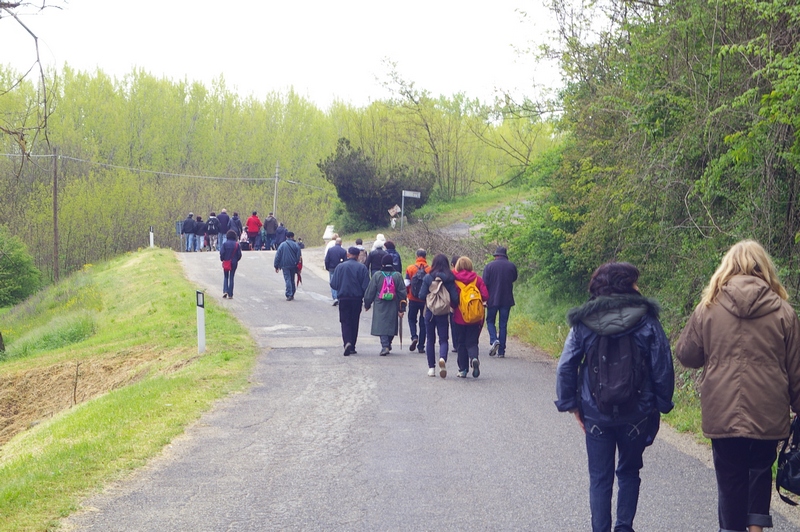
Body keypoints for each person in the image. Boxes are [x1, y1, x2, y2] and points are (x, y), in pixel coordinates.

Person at [675, 240, 800, 532]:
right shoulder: (784, 312)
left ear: (727, 268)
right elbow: (797, 369)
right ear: (765, 269)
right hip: (768, 412)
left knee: (730, 478)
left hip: (722, 410)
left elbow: (686, 354)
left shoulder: (708, 308)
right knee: (759, 472)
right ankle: (755, 527)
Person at [555, 261, 674, 532]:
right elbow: (662, 364)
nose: (638, 286)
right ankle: (624, 527)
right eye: (634, 281)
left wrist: (572, 405)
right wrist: (661, 404)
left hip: (595, 412)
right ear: (625, 284)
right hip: (636, 412)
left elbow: (566, 365)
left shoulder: (584, 320)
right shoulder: (646, 319)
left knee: (599, 478)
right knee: (630, 472)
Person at [418, 253, 458, 378]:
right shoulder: (450, 278)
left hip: (430, 312)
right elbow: (455, 298)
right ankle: (442, 359)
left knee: (430, 340)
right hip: (444, 312)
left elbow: (421, 295)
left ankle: (431, 368)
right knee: (443, 339)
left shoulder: (428, 277)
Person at [330, 246, 371, 356]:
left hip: (343, 298)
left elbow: (333, 284)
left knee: (345, 321)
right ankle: (352, 346)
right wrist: (367, 302)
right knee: (354, 321)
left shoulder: (340, 267)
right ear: (358, 256)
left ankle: (347, 342)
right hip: (356, 299)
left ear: (348, 255)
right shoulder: (362, 268)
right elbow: (366, 286)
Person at [452, 256, 489, 378]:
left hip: (459, 316)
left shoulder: (455, 280)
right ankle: (474, 358)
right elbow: (485, 295)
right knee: (472, 342)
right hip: (475, 317)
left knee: (461, 342)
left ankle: (463, 369)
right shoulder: (477, 279)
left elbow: (453, 298)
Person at [364, 254, 407, 356]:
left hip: (380, 303)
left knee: (381, 324)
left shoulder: (377, 275)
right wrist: (402, 308)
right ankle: (388, 343)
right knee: (391, 324)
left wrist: (367, 303)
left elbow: (370, 291)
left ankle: (385, 346)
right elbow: (402, 292)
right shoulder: (397, 276)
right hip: (393, 302)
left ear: (382, 263)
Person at [483, 246, 518, 358]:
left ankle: (494, 340)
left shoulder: (489, 266)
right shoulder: (511, 266)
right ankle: (501, 351)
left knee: (490, 321)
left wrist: (484, 298)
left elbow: (484, 283)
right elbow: (514, 278)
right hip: (506, 299)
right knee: (503, 324)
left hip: (492, 299)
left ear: (496, 256)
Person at [404, 249, 429, 354]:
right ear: (425, 257)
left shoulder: (410, 268)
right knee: (424, 322)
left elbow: (406, 284)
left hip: (413, 298)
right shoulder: (430, 269)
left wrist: (406, 295)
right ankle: (421, 346)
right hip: (425, 300)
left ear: (416, 256)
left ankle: (414, 336)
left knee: (411, 319)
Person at [274, 231, 302, 301]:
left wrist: (276, 266)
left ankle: (289, 294)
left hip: (284, 265)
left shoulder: (282, 245)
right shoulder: (296, 245)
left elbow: (278, 256)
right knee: (292, 279)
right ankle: (292, 292)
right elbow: (299, 257)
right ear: (293, 237)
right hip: (293, 265)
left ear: (286, 237)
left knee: (287, 279)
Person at [219, 230, 242, 299]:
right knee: (231, 277)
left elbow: (222, 253)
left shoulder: (225, 244)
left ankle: (225, 290)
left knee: (226, 276)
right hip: (234, 262)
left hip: (226, 262)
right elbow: (239, 255)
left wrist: (222, 259)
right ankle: (230, 294)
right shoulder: (237, 244)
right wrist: (236, 260)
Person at [324, 237, 347, 306]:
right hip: (340, 269)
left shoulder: (330, 250)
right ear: (341, 243)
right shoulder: (343, 251)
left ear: (335, 243)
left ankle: (335, 297)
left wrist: (327, 267)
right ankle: (339, 296)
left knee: (332, 282)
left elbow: (326, 260)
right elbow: (345, 261)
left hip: (332, 268)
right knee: (340, 283)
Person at [450, 255, 460, 352]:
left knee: (453, 324)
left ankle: (456, 344)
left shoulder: (451, 274)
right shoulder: (471, 274)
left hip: (453, 302)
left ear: (452, 264)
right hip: (466, 302)